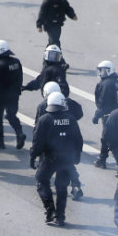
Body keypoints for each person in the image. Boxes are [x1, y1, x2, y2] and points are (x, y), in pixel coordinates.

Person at [30, 91, 83, 226]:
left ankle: (50, 211)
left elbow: (37, 141)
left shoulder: (44, 119)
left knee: (41, 181)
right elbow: (78, 140)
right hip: (66, 159)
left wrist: (33, 156)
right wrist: (77, 156)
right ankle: (60, 216)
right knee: (61, 187)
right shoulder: (71, 119)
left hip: (49, 159)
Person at [35, 81, 84, 200]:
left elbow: (38, 126)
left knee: (44, 163)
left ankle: (42, 183)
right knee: (68, 164)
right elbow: (79, 113)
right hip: (69, 140)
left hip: (51, 142)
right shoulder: (69, 102)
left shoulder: (43, 105)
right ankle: (76, 185)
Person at [0, 39, 26, 150]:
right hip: (14, 95)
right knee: (11, 115)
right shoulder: (16, 62)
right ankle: (19, 133)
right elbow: (20, 78)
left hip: (1, 97)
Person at [91, 60, 118, 169]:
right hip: (117, 115)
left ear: (108, 70)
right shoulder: (116, 82)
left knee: (108, 139)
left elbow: (103, 102)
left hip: (109, 116)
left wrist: (97, 116)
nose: (99, 73)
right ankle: (102, 159)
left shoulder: (106, 84)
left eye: (101, 70)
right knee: (108, 138)